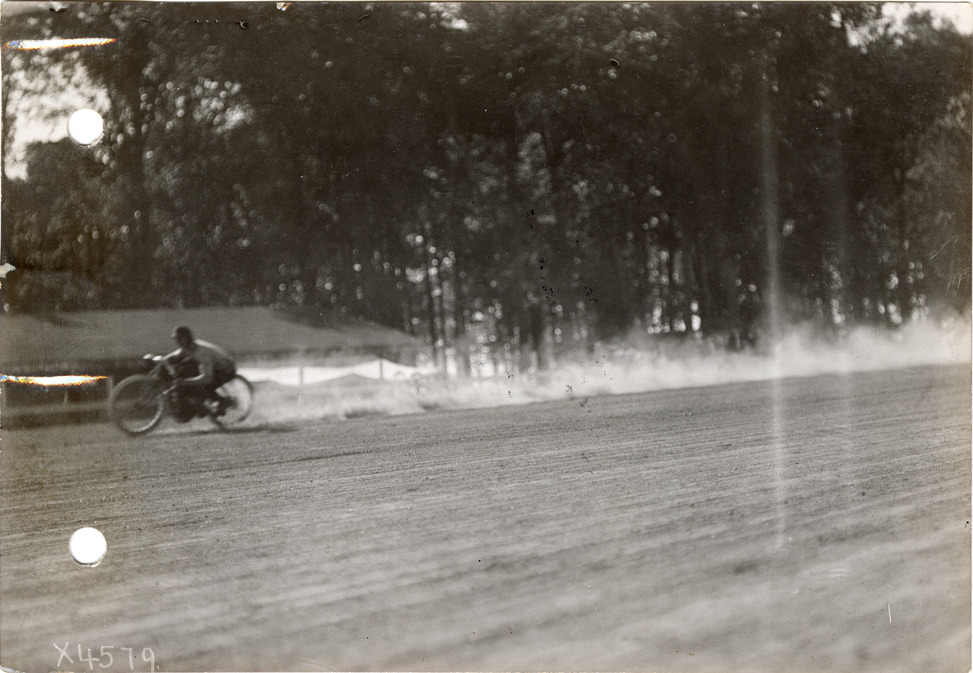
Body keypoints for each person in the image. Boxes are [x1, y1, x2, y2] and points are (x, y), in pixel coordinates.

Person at [164, 326, 237, 417]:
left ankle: (224, 402)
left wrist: (185, 382)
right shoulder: (188, 347)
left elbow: (207, 378)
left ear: (186, 338)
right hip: (215, 368)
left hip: (226, 370)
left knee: (203, 386)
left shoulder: (201, 352)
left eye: (179, 338)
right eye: (175, 339)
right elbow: (173, 356)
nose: (176, 341)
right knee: (189, 373)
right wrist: (158, 360)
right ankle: (204, 405)